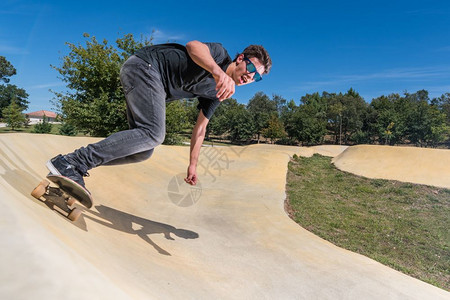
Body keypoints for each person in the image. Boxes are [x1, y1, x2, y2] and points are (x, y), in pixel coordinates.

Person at [46, 40, 272, 193]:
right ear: (241, 58)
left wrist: (192, 165)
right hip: (145, 67)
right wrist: (217, 71)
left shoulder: (218, 94)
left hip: (148, 87)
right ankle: (71, 162)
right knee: (154, 133)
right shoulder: (219, 55)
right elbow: (193, 46)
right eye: (252, 69)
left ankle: (74, 168)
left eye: (257, 78)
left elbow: (200, 129)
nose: (251, 78)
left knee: (143, 151)